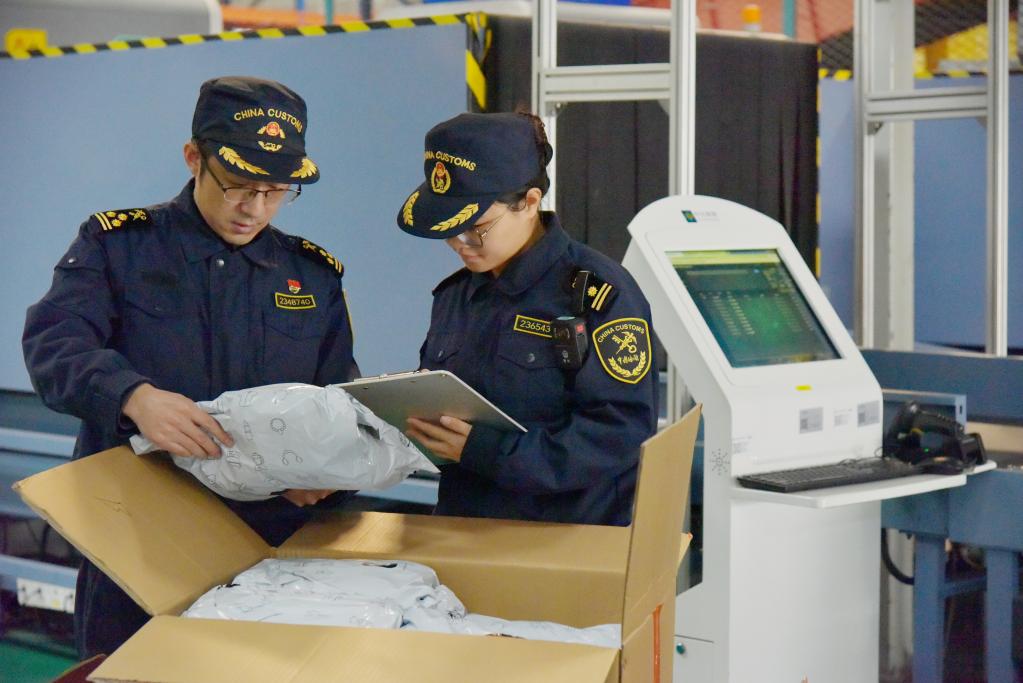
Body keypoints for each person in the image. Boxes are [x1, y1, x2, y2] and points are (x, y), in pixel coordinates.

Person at [22, 76, 359, 658]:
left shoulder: (311, 274)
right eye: (238, 186)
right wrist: (133, 396)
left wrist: (333, 467)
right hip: (137, 535)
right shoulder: (118, 246)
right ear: (193, 158)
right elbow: (55, 344)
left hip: (267, 538)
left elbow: (339, 392)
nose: (254, 209)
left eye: (276, 191)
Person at [397, 112, 658, 526]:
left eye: (475, 228)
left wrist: (489, 451)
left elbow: (618, 433)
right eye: (450, 230)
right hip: (463, 527)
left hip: (565, 536)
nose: (460, 244)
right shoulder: (457, 295)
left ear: (530, 202)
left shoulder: (598, 295)